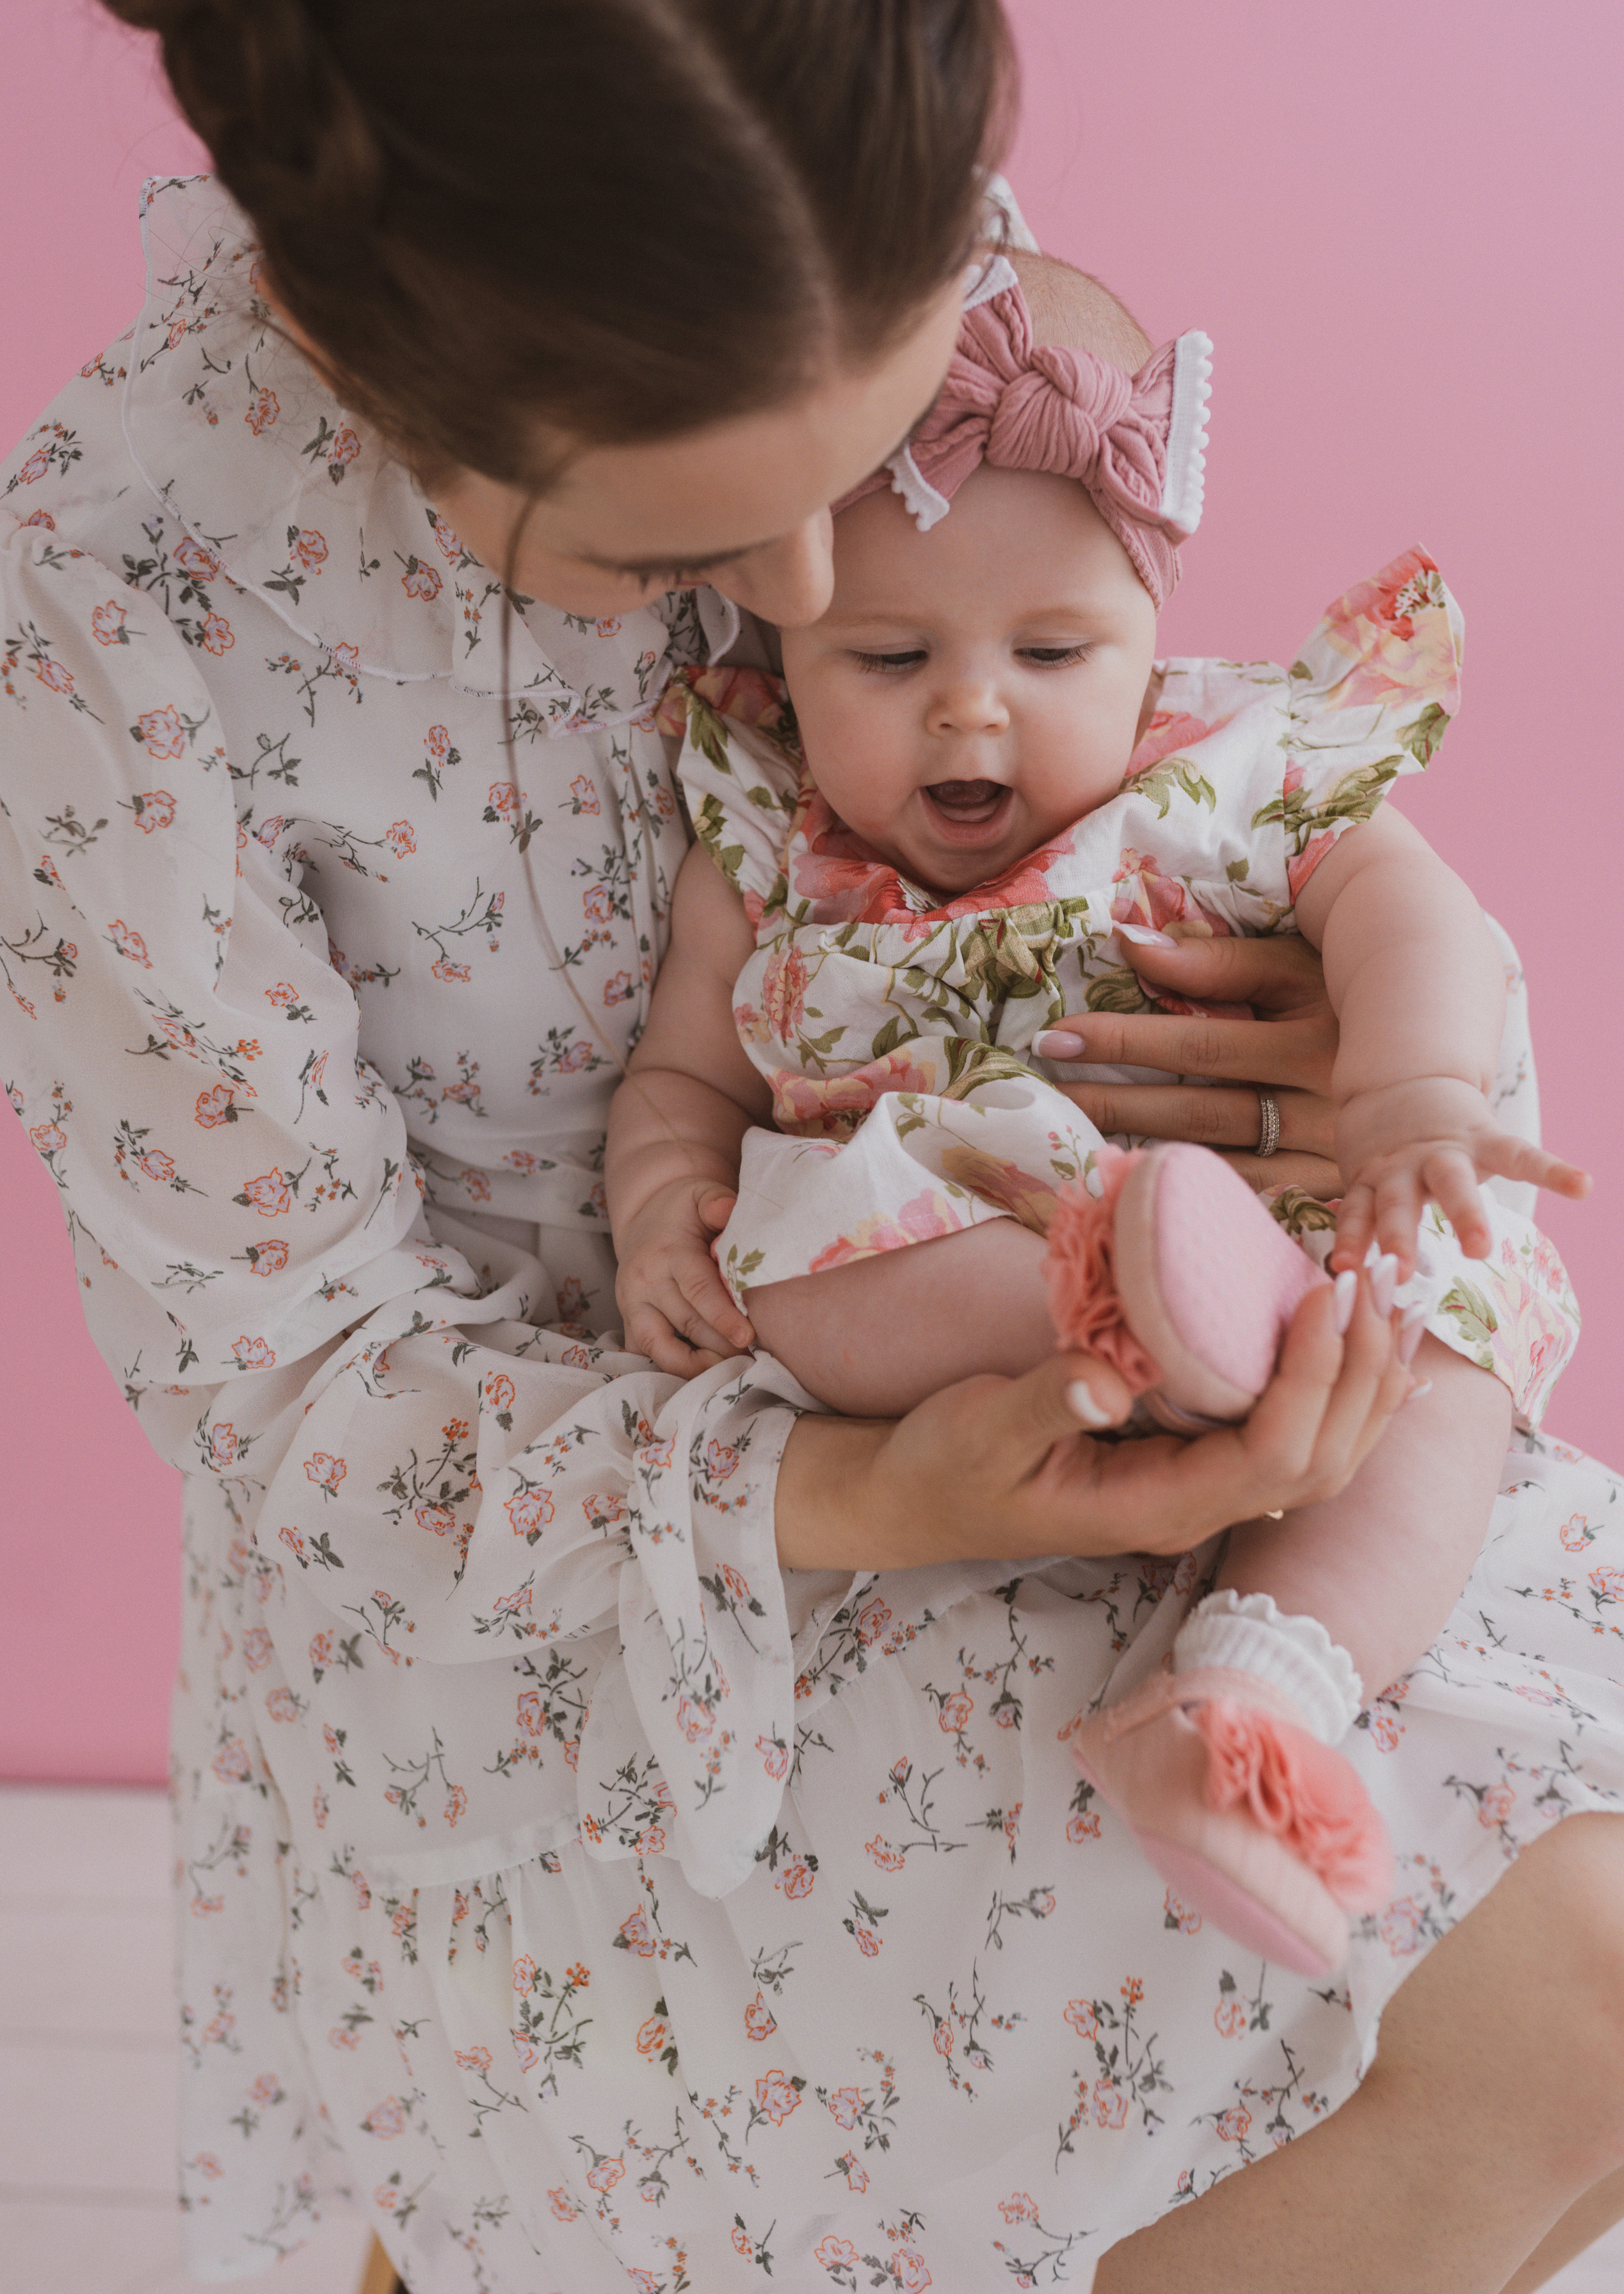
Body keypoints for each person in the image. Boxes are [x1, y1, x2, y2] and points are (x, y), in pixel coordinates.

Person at [0, 3, 1621, 2288]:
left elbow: (1143, 711)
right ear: (416, 365)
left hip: (1087, 1288)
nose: (799, 598)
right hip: (566, 1571)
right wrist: (873, 1487)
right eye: (677, 540)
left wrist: (1317, 1031)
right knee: (1553, 1994)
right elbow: (299, 1396)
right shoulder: (126, 607)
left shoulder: (864, 224)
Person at [604, 266, 1588, 1979]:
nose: (972, 707)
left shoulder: (1227, 763)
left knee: (1448, 1364)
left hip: (1248, 1235)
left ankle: (1251, 1697)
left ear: (1149, 636)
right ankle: (1148, 1319)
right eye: (889, 657)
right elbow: (686, 1073)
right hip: (944, 1237)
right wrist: (658, 1191)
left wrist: (1418, 1091)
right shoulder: (767, 832)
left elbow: (1406, 917)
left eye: (1053, 652)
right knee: (818, 1287)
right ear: (782, 641)